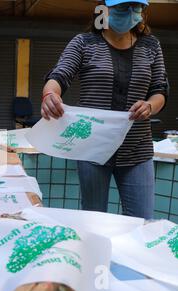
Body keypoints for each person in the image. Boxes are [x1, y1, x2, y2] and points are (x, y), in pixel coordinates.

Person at [41, 0, 169, 219]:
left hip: (137, 149)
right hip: (92, 148)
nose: (129, 13)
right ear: (102, 10)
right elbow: (59, 76)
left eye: (135, 8)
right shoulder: (84, 43)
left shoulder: (151, 45)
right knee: (95, 219)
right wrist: (50, 95)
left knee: (142, 222)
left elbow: (160, 90)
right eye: (121, 8)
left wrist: (149, 105)